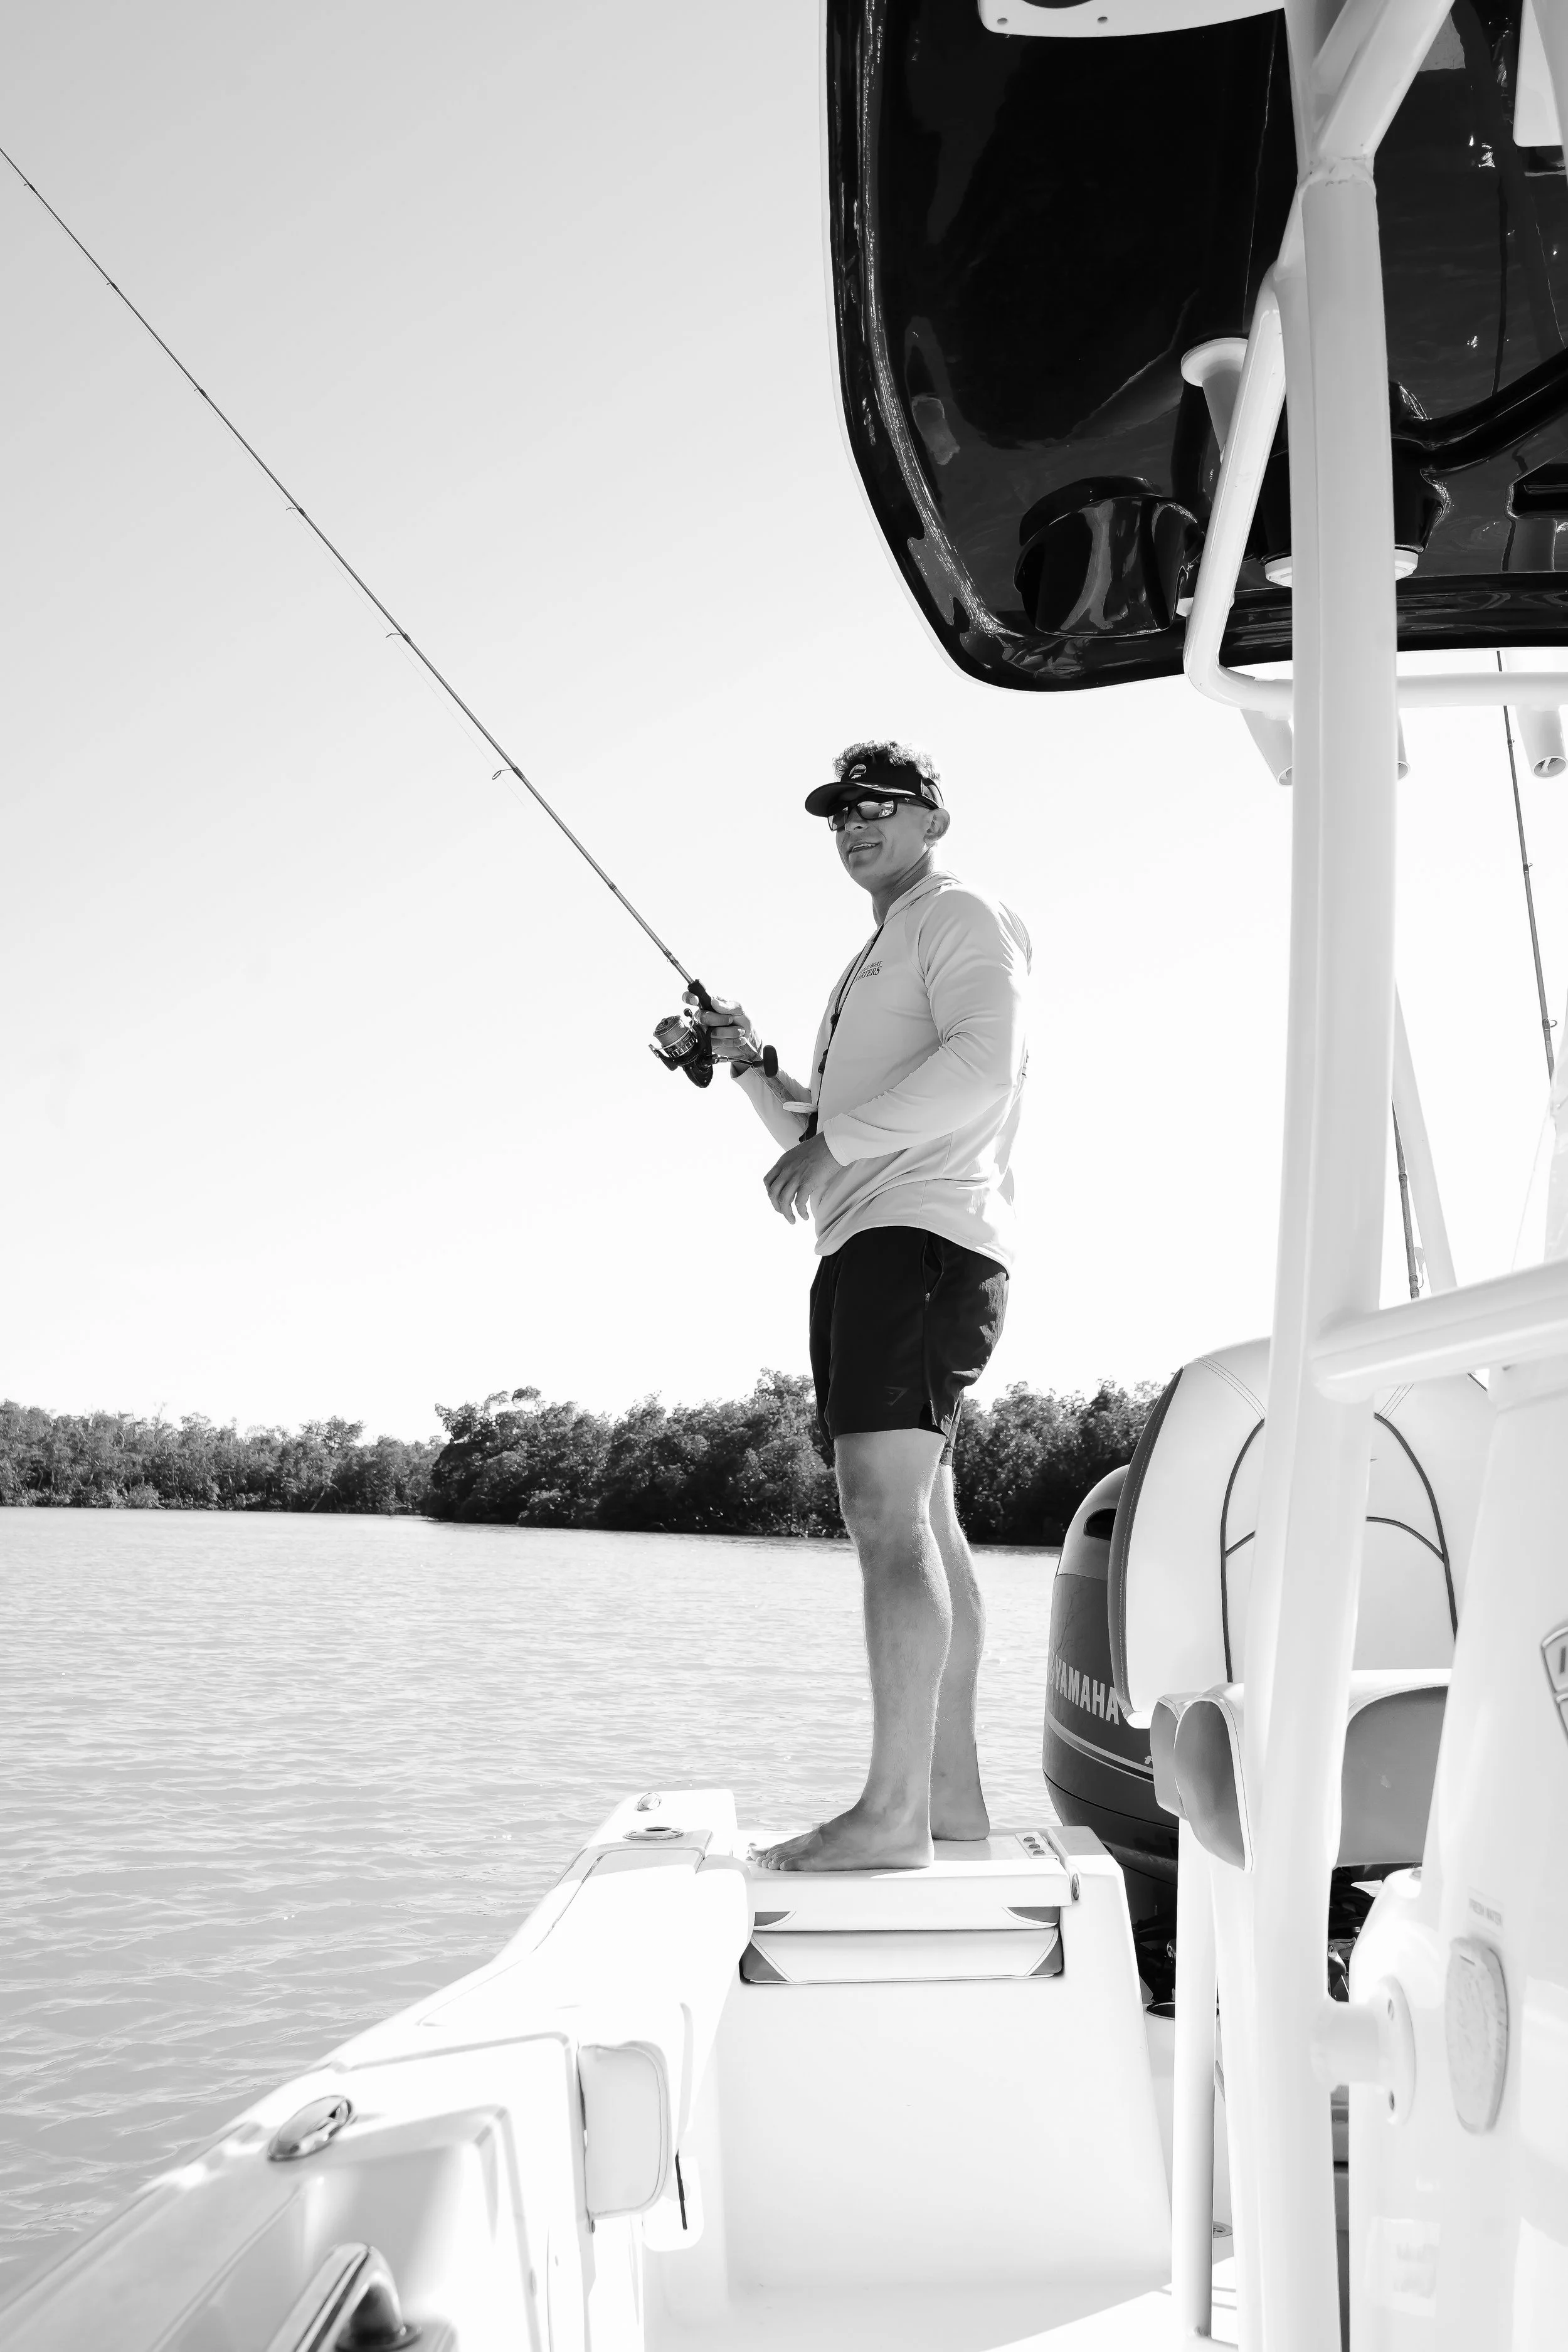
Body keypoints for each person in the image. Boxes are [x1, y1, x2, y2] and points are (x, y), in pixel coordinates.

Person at [704, 741, 1031, 1871]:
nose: (854, 823)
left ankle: (891, 1816)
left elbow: (985, 1066)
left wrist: (834, 1136)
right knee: (924, 1518)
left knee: (885, 1517)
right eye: (840, 810)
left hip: (921, 1242)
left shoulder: (958, 915)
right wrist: (752, 1066)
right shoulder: (876, 952)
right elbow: (817, 1144)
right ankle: (949, 1804)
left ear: (934, 817)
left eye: (879, 805)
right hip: (871, 1240)